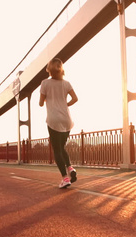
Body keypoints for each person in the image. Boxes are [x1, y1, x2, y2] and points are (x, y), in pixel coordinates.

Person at [39, 58, 78, 189]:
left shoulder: (45, 83)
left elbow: (40, 103)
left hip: (53, 119)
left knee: (57, 150)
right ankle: (71, 168)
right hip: (66, 118)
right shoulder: (66, 83)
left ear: (49, 69)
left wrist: (49, 100)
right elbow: (75, 99)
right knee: (62, 148)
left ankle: (65, 178)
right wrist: (64, 104)